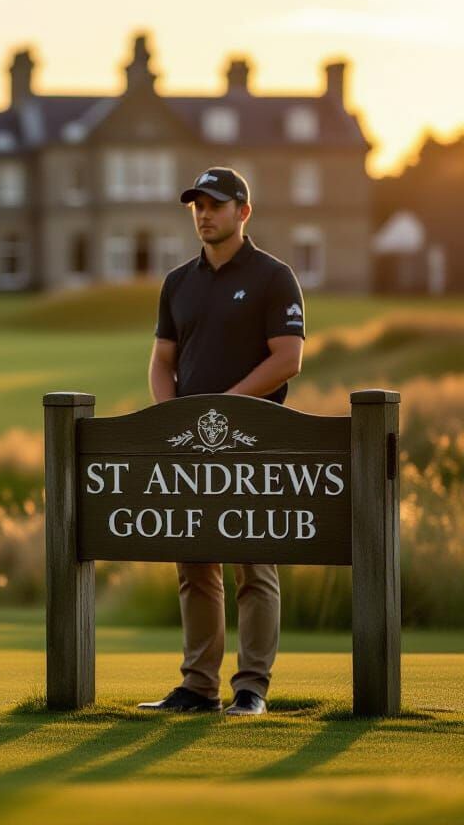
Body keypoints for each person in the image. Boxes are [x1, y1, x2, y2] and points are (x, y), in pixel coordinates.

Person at [139, 166, 306, 717]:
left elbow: (288, 358)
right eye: (198, 206)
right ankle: (198, 687)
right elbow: (162, 361)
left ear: (243, 211)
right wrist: (174, 420)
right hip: (192, 446)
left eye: (215, 205)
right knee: (194, 564)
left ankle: (251, 689)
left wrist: (226, 408)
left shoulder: (273, 276)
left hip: (255, 441)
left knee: (254, 565)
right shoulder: (177, 282)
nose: (205, 214)